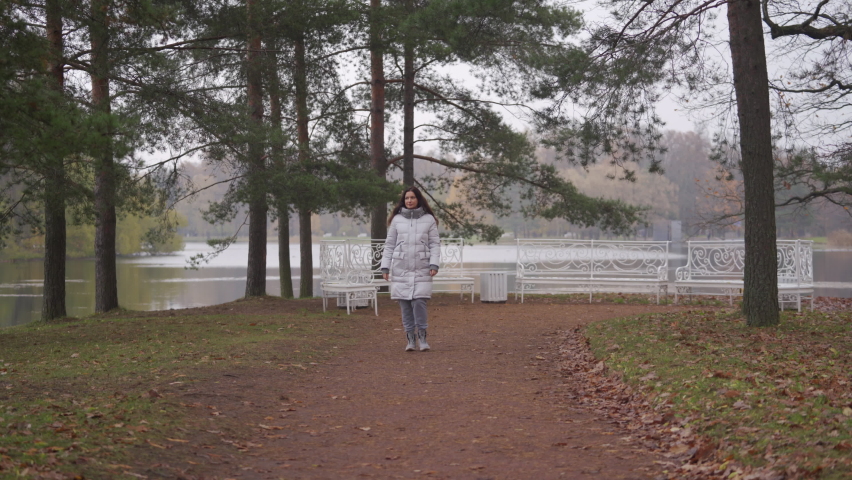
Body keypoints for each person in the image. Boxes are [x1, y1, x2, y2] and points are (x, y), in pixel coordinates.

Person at [381, 187, 441, 351]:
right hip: (401, 268)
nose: (409, 201)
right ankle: (410, 339)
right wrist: (385, 266)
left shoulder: (428, 219)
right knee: (405, 305)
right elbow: (389, 244)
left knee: (419, 302)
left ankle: (422, 337)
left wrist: (434, 263)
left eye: (412, 197)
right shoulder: (397, 220)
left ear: (418, 199)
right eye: (406, 198)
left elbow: (435, 244)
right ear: (403, 200)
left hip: (422, 267)